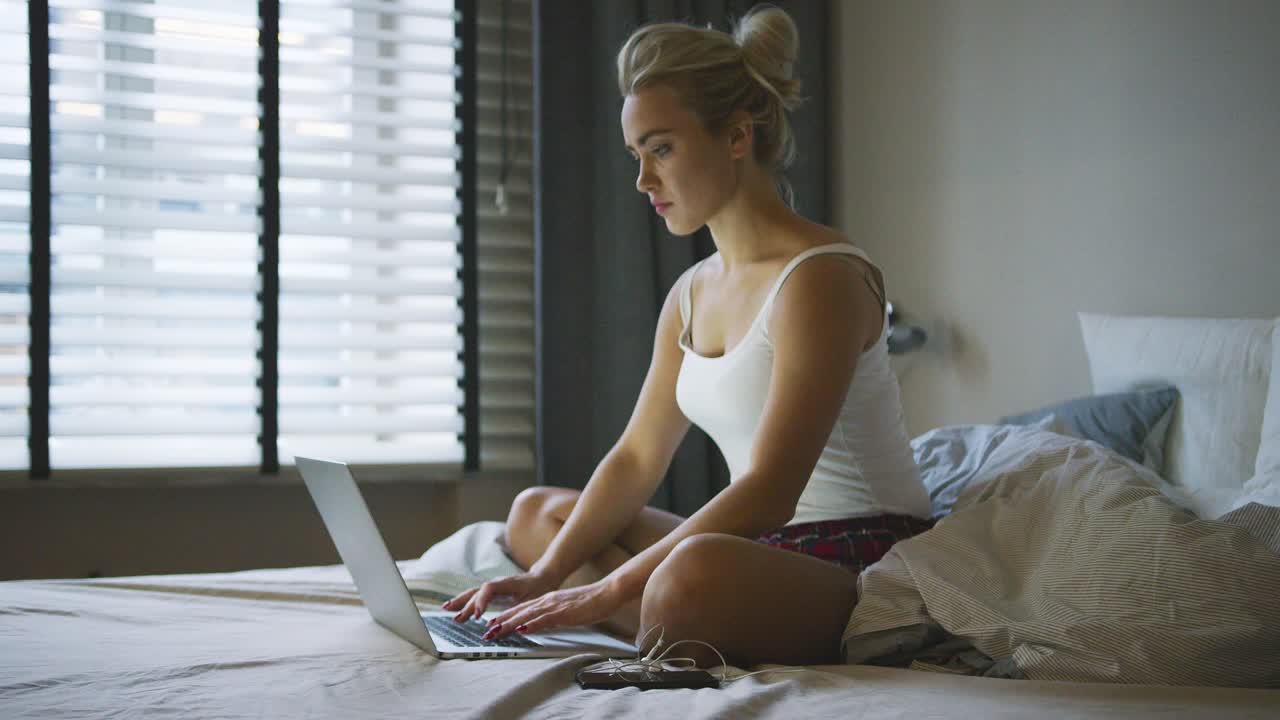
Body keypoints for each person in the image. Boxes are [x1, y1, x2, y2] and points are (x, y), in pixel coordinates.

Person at [442, 4, 934, 668]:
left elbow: (770, 491)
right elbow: (637, 458)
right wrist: (545, 576)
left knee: (688, 576)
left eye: (662, 149)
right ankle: (653, 616)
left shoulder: (820, 278)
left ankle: (655, 613)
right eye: (636, 154)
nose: (643, 179)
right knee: (536, 517)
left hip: (859, 555)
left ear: (736, 136)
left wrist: (607, 588)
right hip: (759, 551)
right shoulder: (690, 292)